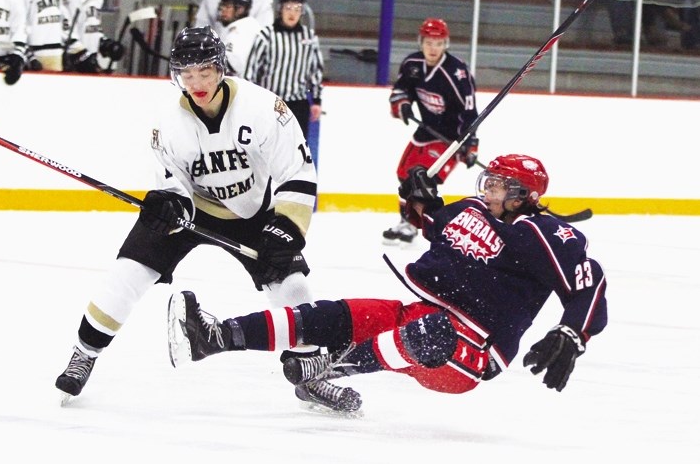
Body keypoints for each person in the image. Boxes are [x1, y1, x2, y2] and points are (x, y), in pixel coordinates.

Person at [168, 154, 609, 414]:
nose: (488, 189)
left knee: (430, 333)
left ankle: (325, 370)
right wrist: (418, 191)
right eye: (487, 181)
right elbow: (431, 219)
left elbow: (590, 285)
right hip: (419, 317)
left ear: (524, 195)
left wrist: (572, 332)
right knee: (332, 316)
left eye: (498, 185)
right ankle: (216, 336)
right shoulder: (472, 208)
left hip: (470, 353)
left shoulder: (546, 233)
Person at [54, 26, 322, 405]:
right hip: (193, 209)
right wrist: (169, 203)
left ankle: (311, 372)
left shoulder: (263, 108)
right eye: (186, 72)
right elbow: (171, 180)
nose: (195, 81)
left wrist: (288, 227)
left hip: (253, 214)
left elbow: (296, 170)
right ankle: (84, 354)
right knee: (126, 275)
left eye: (204, 71)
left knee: (294, 287)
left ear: (220, 68)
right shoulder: (168, 123)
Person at [382, 17, 478, 245]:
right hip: (426, 132)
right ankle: (407, 222)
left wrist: (470, 144)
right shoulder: (412, 64)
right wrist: (402, 104)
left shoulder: (457, 73)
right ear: (420, 42)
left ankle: (430, 227)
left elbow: (470, 112)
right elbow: (401, 90)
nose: (433, 48)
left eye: (438, 43)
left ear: (446, 44)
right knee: (404, 174)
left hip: (451, 139)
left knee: (423, 177)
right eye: (428, 42)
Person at [244, 0, 324, 139]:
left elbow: (315, 71)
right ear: (280, 9)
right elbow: (251, 71)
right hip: (270, 103)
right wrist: (250, 101)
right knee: (268, 147)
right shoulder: (266, 35)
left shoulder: (309, 36)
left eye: (297, 9)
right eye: (288, 8)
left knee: (296, 150)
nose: (292, 13)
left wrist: (316, 100)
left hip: (299, 103)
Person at [216, 0, 260, 77]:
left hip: (243, 84)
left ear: (240, 10)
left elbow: (234, 65)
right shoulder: (248, 25)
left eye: (228, 7)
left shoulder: (241, 30)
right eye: (222, 6)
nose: (223, 10)